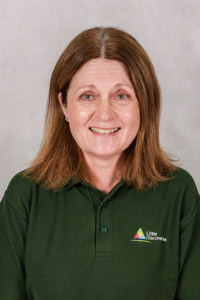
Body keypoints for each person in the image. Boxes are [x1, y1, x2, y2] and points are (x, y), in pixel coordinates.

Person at [0, 27, 199, 300]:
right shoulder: (24, 196)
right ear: (64, 106)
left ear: (144, 103)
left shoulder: (180, 193)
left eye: (121, 96)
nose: (104, 114)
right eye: (87, 96)